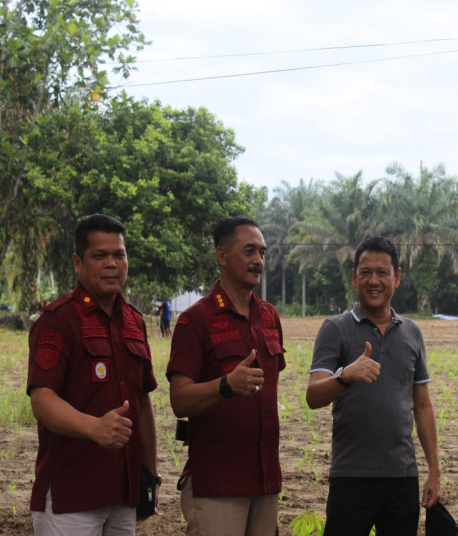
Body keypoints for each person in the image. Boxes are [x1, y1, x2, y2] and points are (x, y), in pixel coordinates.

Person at [26, 214, 159, 535]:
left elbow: (142, 402)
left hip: (123, 494)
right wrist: (93, 427)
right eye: (100, 256)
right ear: (77, 262)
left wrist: (150, 477)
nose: (111, 264)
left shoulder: (134, 321)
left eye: (119, 255)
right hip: (71, 497)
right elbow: (42, 400)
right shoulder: (58, 320)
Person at [306, 236, 441, 536]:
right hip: (351, 476)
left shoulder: (412, 333)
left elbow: (422, 405)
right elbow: (313, 396)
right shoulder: (335, 329)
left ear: (397, 277)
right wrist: (345, 375)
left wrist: (434, 470)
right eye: (365, 272)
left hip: (402, 477)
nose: (374, 280)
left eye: (382, 272)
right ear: (354, 278)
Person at [166, 215, 285, 536]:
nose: (258, 260)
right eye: (249, 251)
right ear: (222, 255)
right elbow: (179, 400)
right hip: (218, 482)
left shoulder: (270, 316)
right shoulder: (196, 320)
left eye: (262, 252)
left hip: (264, 480)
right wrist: (226, 385)